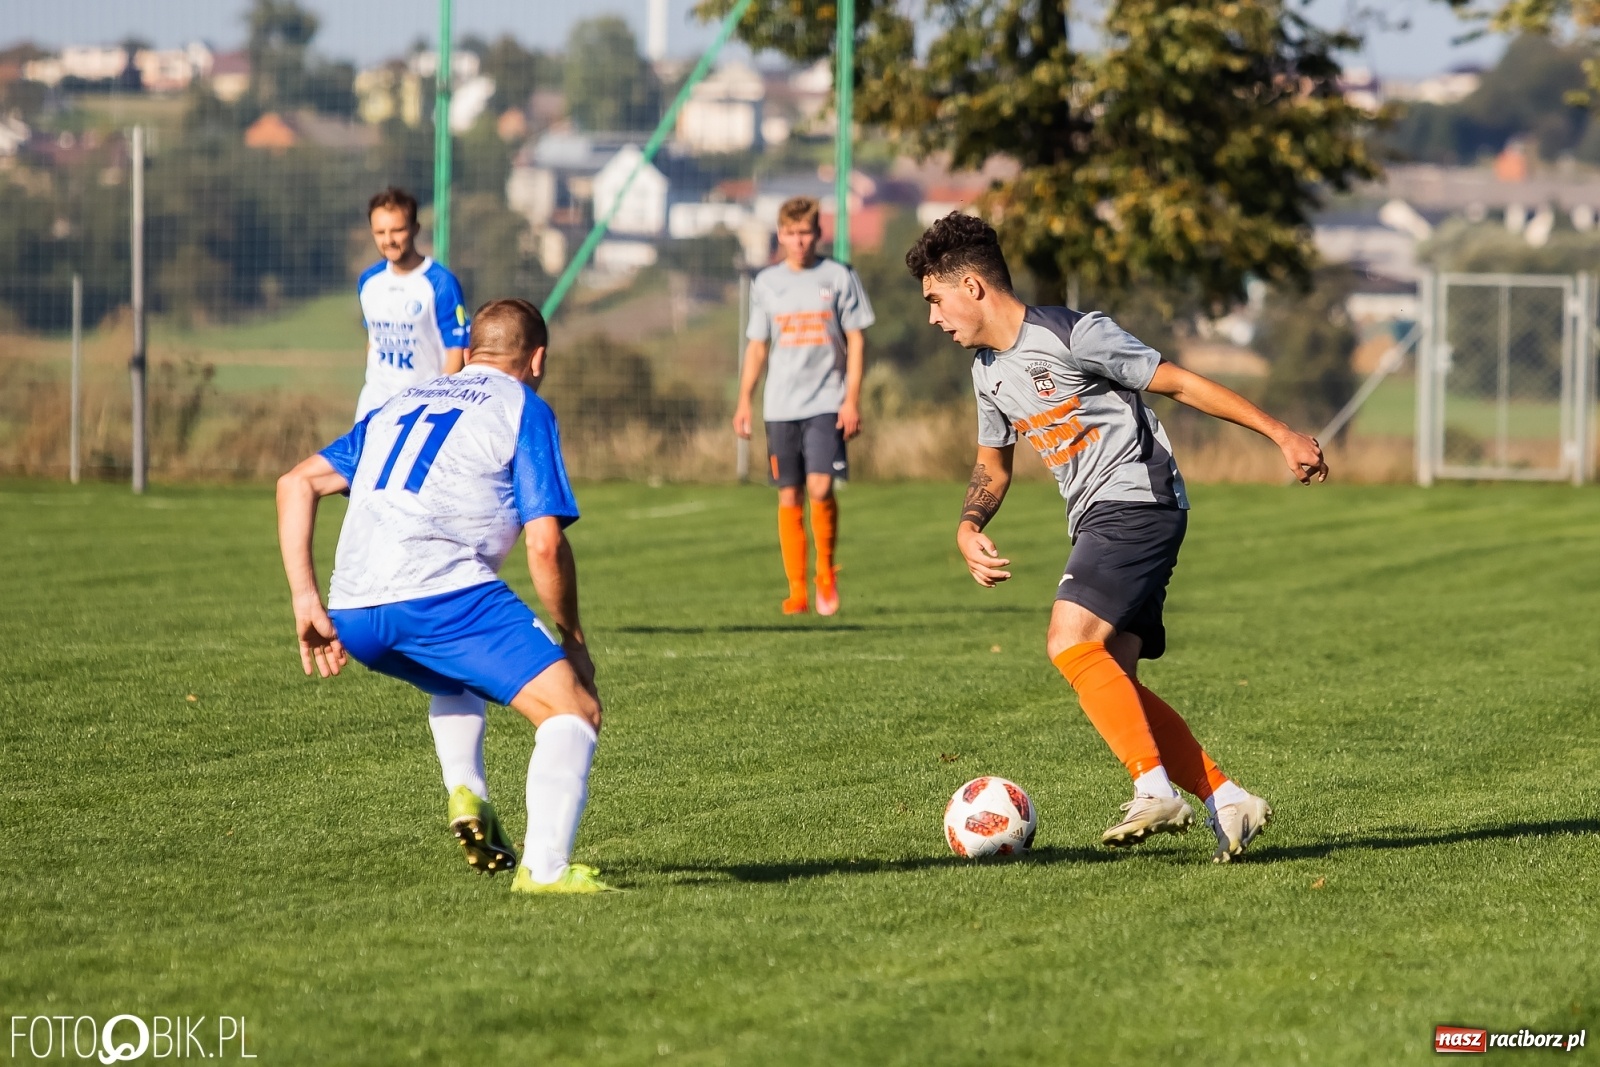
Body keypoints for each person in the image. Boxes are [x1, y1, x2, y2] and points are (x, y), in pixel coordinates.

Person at [907, 213, 1329, 863]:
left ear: (972, 285)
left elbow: (1180, 382)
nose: (934, 317)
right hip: (1100, 514)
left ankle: (1153, 788)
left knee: (1067, 641)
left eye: (936, 298)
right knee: (1113, 675)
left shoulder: (1073, 333)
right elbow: (993, 462)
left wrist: (1280, 433)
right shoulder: (987, 370)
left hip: (1137, 500)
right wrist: (968, 525)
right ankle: (1227, 797)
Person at [276, 298, 616, 894]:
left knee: (451, 676)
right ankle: (546, 870)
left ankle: (468, 791)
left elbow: (295, 482)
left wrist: (307, 599)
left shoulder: (401, 402)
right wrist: (575, 641)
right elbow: (544, 546)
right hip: (441, 596)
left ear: (473, 349)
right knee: (573, 711)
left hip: (354, 612)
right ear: (537, 358)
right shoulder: (522, 408)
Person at [733, 196, 875, 615]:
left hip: (827, 401)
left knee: (820, 487)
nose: (799, 241)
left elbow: (857, 340)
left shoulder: (840, 277)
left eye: (806, 233)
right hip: (779, 406)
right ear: (781, 235)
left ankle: (825, 574)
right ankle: (796, 590)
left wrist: (851, 399)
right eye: (791, 234)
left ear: (818, 233)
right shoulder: (767, 283)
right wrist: (744, 399)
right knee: (789, 494)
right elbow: (757, 347)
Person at [354, 187, 471, 422]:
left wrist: (438, 402)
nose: (389, 240)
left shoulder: (440, 282)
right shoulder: (368, 281)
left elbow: (456, 350)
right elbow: (373, 339)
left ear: (415, 229)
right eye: (380, 232)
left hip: (421, 407)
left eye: (397, 230)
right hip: (373, 404)